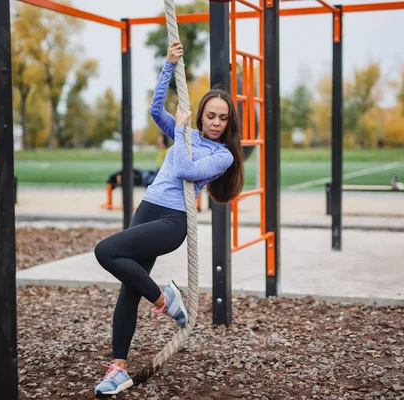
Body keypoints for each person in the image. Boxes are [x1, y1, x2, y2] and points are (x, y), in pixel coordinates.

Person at [93, 40, 244, 396]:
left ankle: (163, 299)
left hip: (172, 221)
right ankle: (119, 368)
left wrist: (179, 129)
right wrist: (168, 65)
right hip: (147, 208)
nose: (216, 123)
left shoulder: (222, 156)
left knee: (105, 252)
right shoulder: (187, 132)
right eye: (211, 115)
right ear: (201, 113)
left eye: (223, 118)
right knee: (128, 291)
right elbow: (155, 109)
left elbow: (185, 168)